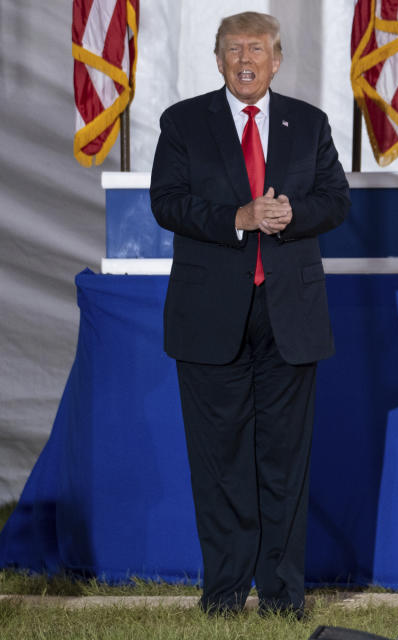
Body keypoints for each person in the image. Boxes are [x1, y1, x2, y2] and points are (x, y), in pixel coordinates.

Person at [149, 11, 349, 616]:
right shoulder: (183, 122)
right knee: (220, 465)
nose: (245, 59)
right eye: (234, 49)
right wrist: (239, 218)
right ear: (217, 60)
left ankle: (285, 599)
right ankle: (225, 596)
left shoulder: (308, 123)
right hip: (210, 318)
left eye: (256, 49)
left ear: (276, 59)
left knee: (285, 465)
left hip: (290, 317)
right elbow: (167, 202)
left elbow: (335, 200)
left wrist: (294, 215)